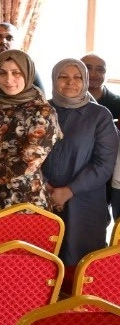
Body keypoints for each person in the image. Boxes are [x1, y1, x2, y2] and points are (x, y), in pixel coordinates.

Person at [0, 50, 60, 218]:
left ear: (28, 74)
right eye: (2, 73)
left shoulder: (43, 112)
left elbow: (28, 162)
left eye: (16, 73)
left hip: (23, 202)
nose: (8, 80)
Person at [42, 58, 118, 268]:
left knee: (82, 265)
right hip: (41, 196)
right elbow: (28, 155)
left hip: (85, 201)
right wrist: (44, 185)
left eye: (77, 77)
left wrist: (68, 191)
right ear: (53, 79)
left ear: (85, 81)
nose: (70, 82)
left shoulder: (99, 115)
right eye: (63, 76)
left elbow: (104, 164)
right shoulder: (42, 110)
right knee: (41, 262)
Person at [81, 52, 120, 122]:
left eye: (100, 69)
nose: (93, 74)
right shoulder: (64, 102)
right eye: (88, 68)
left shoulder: (118, 104)